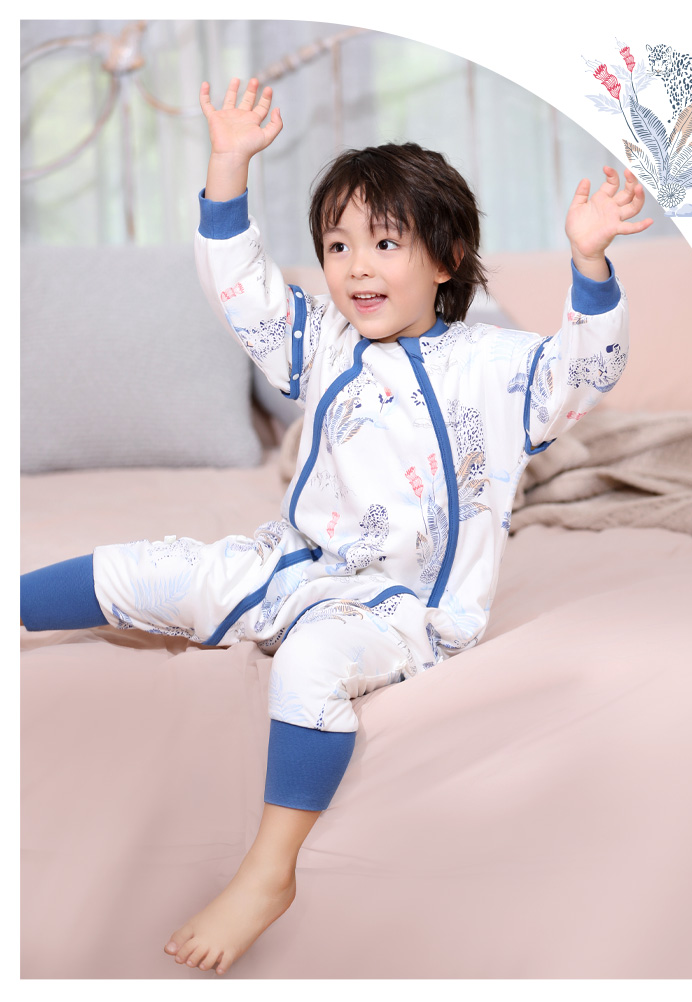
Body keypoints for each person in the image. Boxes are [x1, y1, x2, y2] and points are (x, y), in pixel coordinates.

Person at [20, 76, 652, 975]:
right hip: (294, 562)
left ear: (447, 257)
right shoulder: (320, 342)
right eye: (338, 245)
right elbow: (239, 287)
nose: (357, 267)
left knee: (312, 664)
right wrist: (229, 164)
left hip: (405, 608)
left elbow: (586, 372)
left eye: (385, 243)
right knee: (151, 570)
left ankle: (267, 872)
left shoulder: (495, 366)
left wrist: (590, 264)